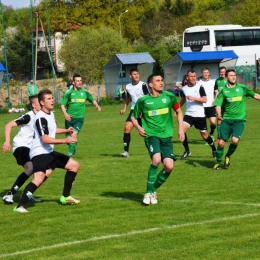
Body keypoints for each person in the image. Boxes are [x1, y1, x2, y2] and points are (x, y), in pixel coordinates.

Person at [13, 90, 80, 213]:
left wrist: (66, 130)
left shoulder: (50, 114)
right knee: (38, 178)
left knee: (74, 165)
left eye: (52, 98)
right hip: (39, 153)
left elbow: (51, 131)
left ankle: (65, 197)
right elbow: (45, 139)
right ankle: (19, 206)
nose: (52, 100)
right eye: (49, 98)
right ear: (42, 102)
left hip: (48, 151)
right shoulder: (40, 118)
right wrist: (65, 141)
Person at [131, 74, 184, 205]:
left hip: (166, 136)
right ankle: (149, 192)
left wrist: (181, 129)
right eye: (157, 81)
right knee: (156, 159)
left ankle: (152, 190)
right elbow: (133, 117)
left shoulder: (169, 97)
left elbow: (179, 111)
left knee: (169, 167)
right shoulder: (143, 101)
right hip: (151, 135)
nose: (161, 83)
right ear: (150, 84)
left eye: (162, 80)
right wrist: (138, 127)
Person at [213, 69, 260, 170]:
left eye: (234, 75)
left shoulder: (242, 88)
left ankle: (228, 156)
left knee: (234, 141)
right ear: (226, 77)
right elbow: (217, 104)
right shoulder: (223, 91)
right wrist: (219, 114)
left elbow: (255, 95)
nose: (233, 77)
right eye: (231, 75)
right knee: (221, 143)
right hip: (226, 120)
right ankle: (218, 162)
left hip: (239, 120)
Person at [2, 95, 43, 204]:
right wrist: (7, 141)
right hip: (21, 146)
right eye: (40, 102)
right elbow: (9, 125)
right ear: (34, 105)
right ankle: (9, 194)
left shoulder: (41, 117)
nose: (43, 104)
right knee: (30, 168)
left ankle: (27, 195)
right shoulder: (28, 116)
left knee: (39, 170)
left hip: (32, 148)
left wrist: (66, 131)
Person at [60, 74, 101, 156]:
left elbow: (92, 99)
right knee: (69, 139)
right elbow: (62, 105)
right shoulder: (68, 93)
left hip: (79, 119)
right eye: (77, 81)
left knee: (74, 135)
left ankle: (69, 156)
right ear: (73, 82)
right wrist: (66, 114)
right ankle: (73, 147)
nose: (79, 82)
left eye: (80, 81)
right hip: (69, 119)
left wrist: (96, 105)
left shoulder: (85, 92)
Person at [180, 69, 217, 159]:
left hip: (200, 115)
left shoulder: (200, 87)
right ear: (187, 77)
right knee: (182, 131)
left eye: (194, 76)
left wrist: (194, 98)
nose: (193, 78)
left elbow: (204, 99)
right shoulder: (184, 89)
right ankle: (187, 151)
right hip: (189, 114)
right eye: (191, 76)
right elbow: (184, 99)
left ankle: (214, 149)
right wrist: (177, 108)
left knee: (204, 136)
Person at [120, 68, 149, 157]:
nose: (136, 76)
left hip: (144, 110)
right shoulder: (128, 87)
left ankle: (154, 150)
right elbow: (128, 97)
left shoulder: (143, 85)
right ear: (130, 76)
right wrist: (124, 108)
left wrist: (143, 110)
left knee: (146, 133)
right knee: (127, 128)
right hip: (133, 110)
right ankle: (126, 151)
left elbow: (148, 97)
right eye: (134, 74)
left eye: (137, 74)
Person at [200, 67, 218, 145]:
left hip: (211, 106)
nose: (206, 74)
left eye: (207, 72)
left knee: (213, 122)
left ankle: (211, 134)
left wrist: (215, 99)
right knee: (203, 124)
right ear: (202, 74)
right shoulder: (199, 83)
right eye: (204, 72)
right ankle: (208, 139)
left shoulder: (213, 82)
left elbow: (217, 92)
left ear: (209, 73)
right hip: (202, 106)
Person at [214, 66, 228, 143]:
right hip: (219, 102)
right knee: (219, 118)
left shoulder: (228, 80)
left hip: (227, 103)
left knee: (228, 118)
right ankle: (219, 137)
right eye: (221, 72)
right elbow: (216, 91)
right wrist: (215, 99)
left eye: (223, 72)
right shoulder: (217, 80)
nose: (222, 73)